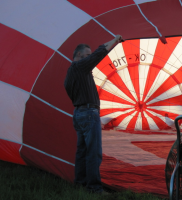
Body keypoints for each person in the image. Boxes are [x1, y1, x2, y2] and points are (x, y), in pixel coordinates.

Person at [64, 35, 123, 193]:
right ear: (79, 56)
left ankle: (80, 182)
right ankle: (94, 188)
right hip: (89, 113)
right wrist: (114, 41)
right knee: (93, 151)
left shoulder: (71, 74)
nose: (89, 59)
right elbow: (99, 54)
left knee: (82, 151)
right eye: (87, 56)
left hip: (78, 113)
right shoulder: (80, 67)